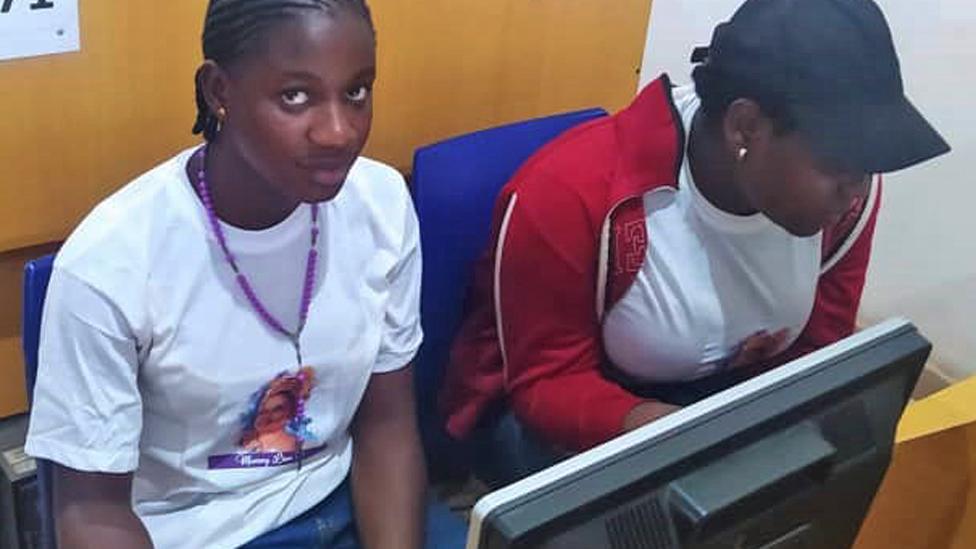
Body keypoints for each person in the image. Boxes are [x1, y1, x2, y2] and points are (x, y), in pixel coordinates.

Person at [441, 0, 951, 488]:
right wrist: (679, 437)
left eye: (868, 164)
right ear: (744, 126)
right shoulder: (572, 194)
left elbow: (819, 346)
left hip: (717, 399)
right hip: (581, 402)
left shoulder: (844, 202)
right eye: (840, 164)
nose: (858, 188)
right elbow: (547, 384)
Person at [25, 1, 467, 547]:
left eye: (356, 91)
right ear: (219, 91)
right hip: (198, 532)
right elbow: (93, 513)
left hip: (347, 498)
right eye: (295, 96)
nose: (338, 131)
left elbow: (385, 426)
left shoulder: (380, 205)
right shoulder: (111, 264)